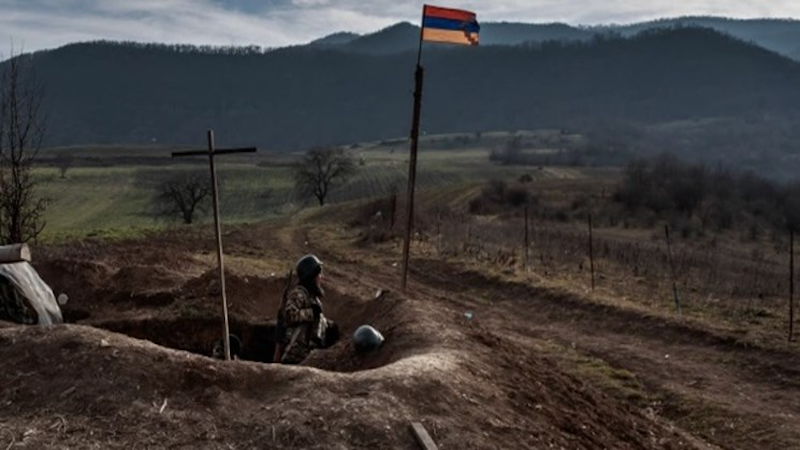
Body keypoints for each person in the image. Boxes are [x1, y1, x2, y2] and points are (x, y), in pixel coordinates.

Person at [275, 254, 339, 364]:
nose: (321, 277)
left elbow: (317, 318)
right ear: (311, 276)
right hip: (296, 354)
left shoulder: (312, 296)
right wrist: (310, 313)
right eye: (319, 274)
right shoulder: (298, 294)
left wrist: (328, 325)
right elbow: (289, 316)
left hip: (310, 352)